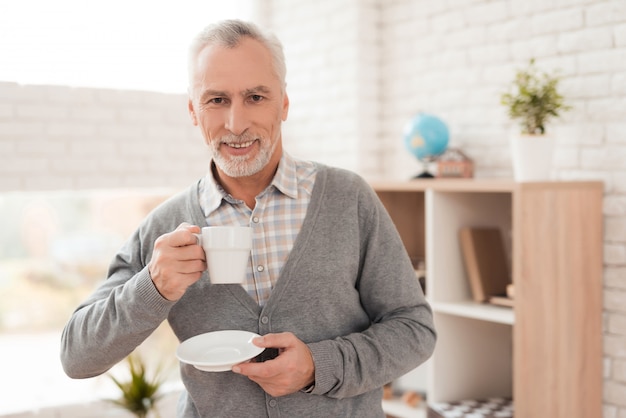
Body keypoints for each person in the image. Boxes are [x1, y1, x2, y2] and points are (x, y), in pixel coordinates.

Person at [60, 19, 436, 417]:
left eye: (256, 97)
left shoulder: (348, 199)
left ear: (284, 103)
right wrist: (152, 287)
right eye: (216, 100)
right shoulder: (163, 227)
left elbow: (414, 330)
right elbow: (77, 357)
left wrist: (317, 365)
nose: (236, 124)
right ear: (193, 110)